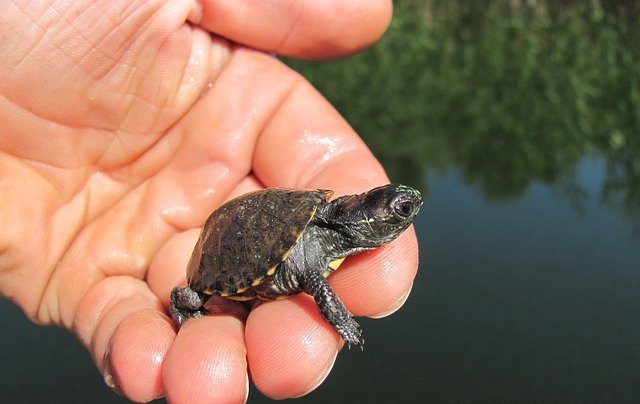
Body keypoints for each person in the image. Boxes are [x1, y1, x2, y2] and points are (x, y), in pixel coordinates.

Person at [0, 1, 418, 402]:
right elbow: (317, 285)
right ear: (365, 214)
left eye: (399, 207)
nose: (407, 207)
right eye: (400, 208)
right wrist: (343, 322)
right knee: (191, 297)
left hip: (259, 218)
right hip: (230, 250)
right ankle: (186, 303)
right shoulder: (319, 240)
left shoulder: (326, 227)